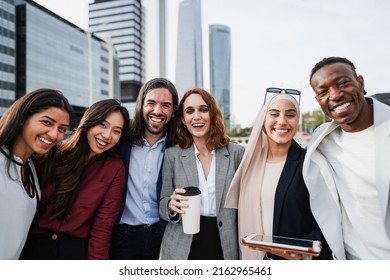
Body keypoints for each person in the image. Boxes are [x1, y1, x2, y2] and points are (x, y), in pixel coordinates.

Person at [225, 89, 332, 260]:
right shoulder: (248, 164)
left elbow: (328, 221)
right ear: (263, 120)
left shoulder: (311, 164)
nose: (282, 122)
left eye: (290, 115)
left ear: (297, 120)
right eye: (274, 114)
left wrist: (302, 249)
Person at [303, 57, 390, 260]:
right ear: (318, 101)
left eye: (342, 84)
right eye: (323, 92)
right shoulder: (321, 140)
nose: (334, 95)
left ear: (360, 82)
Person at [21, 99, 130, 259]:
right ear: (89, 122)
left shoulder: (114, 168)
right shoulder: (51, 154)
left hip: (74, 253)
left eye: (116, 131)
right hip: (33, 248)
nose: (107, 136)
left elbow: (103, 226)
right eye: (103, 125)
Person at [159, 88, 245, 260]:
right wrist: (171, 205)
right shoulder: (172, 155)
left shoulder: (237, 153)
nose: (196, 116)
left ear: (212, 114)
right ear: (183, 119)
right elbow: (162, 204)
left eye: (203, 110)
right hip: (181, 245)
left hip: (224, 243)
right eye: (189, 111)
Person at [109, 78, 179, 260]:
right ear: (141, 106)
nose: (157, 111)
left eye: (166, 105)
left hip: (162, 235)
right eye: (151, 103)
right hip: (122, 238)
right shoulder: (121, 140)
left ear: (173, 112)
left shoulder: (179, 148)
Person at [0, 88, 72, 260]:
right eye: (47, 123)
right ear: (22, 118)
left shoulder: (31, 166)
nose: (55, 135)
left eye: (62, 129)